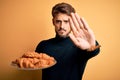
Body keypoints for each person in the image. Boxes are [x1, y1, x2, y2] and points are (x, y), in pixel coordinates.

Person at [35, 2, 101, 80]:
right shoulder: (43, 45)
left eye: (66, 21)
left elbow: (94, 51)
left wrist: (91, 46)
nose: (62, 26)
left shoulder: (79, 46)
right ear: (53, 22)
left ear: (72, 22)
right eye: (58, 21)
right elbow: (32, 63)